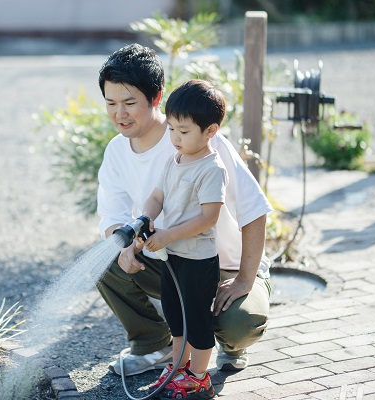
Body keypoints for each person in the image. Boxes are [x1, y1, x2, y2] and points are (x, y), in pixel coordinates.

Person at [96, 43, 273, 378]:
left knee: (239, 323)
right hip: (170, 260)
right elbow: (111, 215)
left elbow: (254, 208)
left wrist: (245, 279)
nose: (120, 113)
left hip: (223, 266)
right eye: (111, 103)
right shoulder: (117, 152)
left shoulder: (198, 140)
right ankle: (154, 346)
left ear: (156, 97)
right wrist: (124, 249)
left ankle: (233, 346)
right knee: (106, 258)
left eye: (130, 102)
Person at [137, 79, 228, 398]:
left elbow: (208, 217)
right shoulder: (173, 160)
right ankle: (177, 367)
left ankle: (199, 376)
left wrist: (167, 235)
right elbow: (157, 196)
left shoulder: (210, 169)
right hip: (173, 257)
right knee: (176, 318)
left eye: (184, 131)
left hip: (198, 262)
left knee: (197, 320)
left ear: (210, 131)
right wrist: (146, 217)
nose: (175, 137)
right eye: (172, 128)